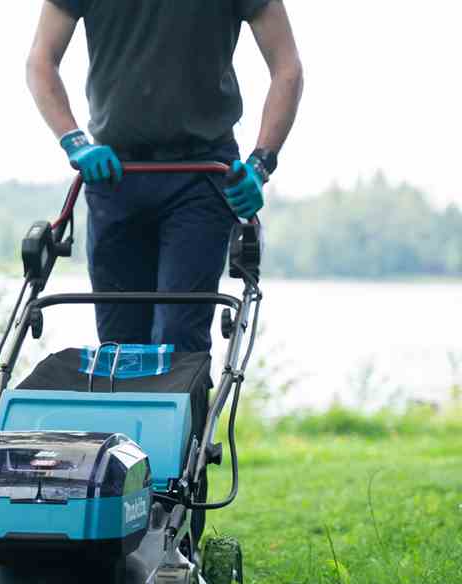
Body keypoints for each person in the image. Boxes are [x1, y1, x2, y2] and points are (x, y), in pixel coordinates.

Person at [27, 0, 303, 353]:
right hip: (115, 173)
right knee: (119, 347)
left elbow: (287, 68)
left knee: (180, 338)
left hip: (201, 174)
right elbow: (41, 61)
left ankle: (187, 387)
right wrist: (74, 140)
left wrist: (261, 163)